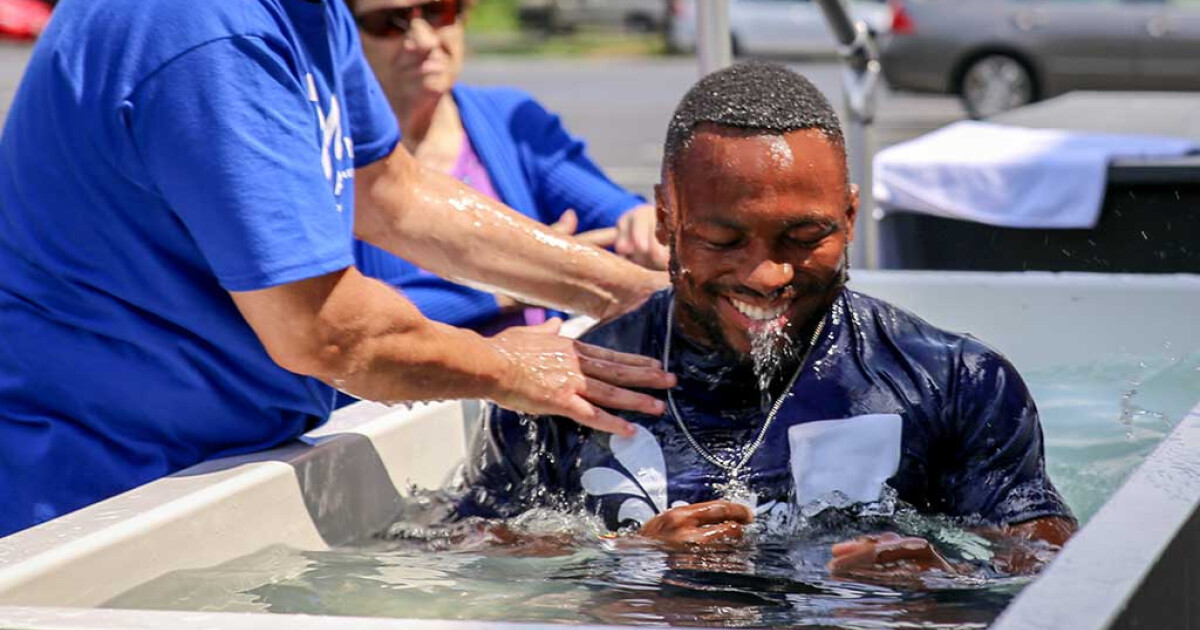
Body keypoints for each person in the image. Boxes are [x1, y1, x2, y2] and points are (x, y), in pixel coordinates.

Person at [0, 0, 673, 538]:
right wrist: (510, 369)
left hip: (204, 469)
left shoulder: (308, 11)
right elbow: (324, 331)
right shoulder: (207, 30)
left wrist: (641, 292)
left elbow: (391, 193)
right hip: (99, 498)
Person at [455, 62, 1077, 577]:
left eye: (805, 236)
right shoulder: (563, 393)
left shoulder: (956, 382)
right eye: (724, 240)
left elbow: (1052, 559)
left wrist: (950, 576)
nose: (767, 275)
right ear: (666, 219)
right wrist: (626, 558)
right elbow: (459, 549)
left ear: (851, 217)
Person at [348, 0, 667, 334]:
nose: (424, 40)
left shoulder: (511, 120)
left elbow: (618, 217)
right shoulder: (331, 155)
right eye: (388, 22)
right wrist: (519, 282)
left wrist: (641, 223)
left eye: (437, 12)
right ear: (344, 37)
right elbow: (338, 319)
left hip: (544, 378)